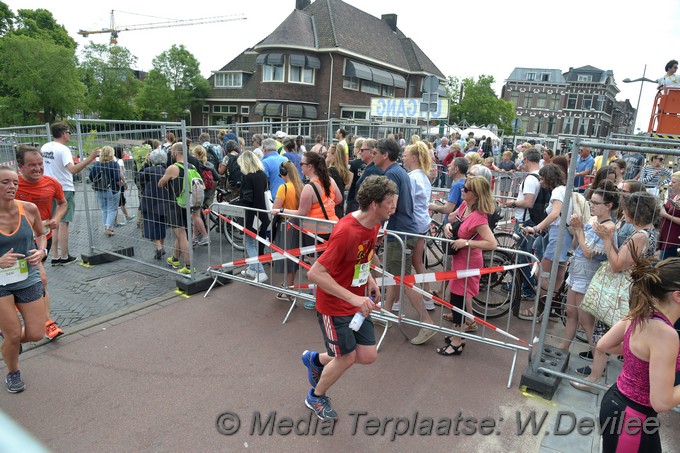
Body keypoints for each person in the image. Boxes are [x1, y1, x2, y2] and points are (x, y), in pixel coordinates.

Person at [300, 175, 397, 420]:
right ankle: (316, 396)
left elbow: (365, 255)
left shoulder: (374, 223)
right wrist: (354, 299)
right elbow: (315, 273)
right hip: (334, 306)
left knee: (367, 355)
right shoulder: (346, 231)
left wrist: (370, 279)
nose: (394, 206)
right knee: (346, 358)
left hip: (356, 301)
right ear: (375, 204)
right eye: (390, 202)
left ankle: (316, 360)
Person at [573, 191, 659, 392]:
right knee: (609, 335)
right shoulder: (650, 231)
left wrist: (605, 240)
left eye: (626, 207)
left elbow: (617, 264)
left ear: (635, 212)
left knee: (605, 335)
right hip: (633, 291)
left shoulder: (639, 235)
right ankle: (597, 375)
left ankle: (595, 379)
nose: (623, 211)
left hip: (623, 292)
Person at [596, 256, 680, 452]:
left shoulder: (641, 313)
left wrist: (640, 358)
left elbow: (604, 344)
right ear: (677, 295)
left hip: (618, 404)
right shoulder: (665, 334)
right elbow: (661, 401)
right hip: (633, 418)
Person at [372, 139, 436, 343]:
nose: (372, 155)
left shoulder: (392, 174)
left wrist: (375, 219)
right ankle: (387, 313)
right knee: (396, 275)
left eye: (374, 152)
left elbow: (392, 206)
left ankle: (427, 322)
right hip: (405, 231)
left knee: (402, 278)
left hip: (401, 232)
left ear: (384, 155)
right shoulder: (400, 172)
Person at [0, 166, 48, 393]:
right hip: (0, 284)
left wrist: (42, 251)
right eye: (5, 183)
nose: (11, 187)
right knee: (12, 334)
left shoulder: (29, 209)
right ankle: (12, 371)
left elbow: (41, 234)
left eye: (14, 183)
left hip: (27, 277)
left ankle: (9, 342)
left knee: (37, 333)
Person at [438, 176, 497, 355]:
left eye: (466, 189)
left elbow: (492, 243)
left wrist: (467, 243)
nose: (462, 190)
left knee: (458, 301)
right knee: (457, 299)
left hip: (469, 262)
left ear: (476, 194)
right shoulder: (465, 206)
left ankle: (457, 341)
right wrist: (449, 226)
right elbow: (451, 219)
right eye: (464, 187)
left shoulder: (479, 217)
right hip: (460, 260)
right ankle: (459, 336)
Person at [275, 152, 342, 309]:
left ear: (310, 166)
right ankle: (329, 296)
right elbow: (338, 199)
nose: (301, 167)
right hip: (332, 227)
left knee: (317, 269)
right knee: (328, 266)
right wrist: (327, 205)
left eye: (302, 164)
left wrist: (281, 210)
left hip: (314, 232)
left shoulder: (309, 187)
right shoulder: (329, 181)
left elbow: (301, 213)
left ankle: (320, 299)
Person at [557, 181, 618, 351]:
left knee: (586, 320)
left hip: (590, 274)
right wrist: (578, 230)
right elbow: (576, 245)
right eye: (591, 202)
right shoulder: (593, 220)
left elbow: (589, 252)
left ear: (608, 206)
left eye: (595, 203)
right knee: (570, 312)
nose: (591, 205)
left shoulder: (609, 227)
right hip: (577, 271)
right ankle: (563, 347)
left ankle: (597, 357)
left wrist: (579, 230)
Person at [16, 145, 67, 340]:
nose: (38, 169)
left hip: (42, 238)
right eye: (32, 165)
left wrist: (57, 218)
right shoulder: (11, 184)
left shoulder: (51, 183)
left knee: (38, 281)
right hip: (16, 241)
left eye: (40, 164)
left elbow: (63, 203)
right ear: (20, 166)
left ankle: (45, 322)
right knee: (36, 280)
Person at [41, 122, 100, 265]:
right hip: (63, 188)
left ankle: (54, 256)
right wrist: (91, 158)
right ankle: (64, 255)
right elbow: (73, 170)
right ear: (63, 134)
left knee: (53, 223)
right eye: (68, 132)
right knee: (63, 223)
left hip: (48, 187)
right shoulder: (63, 149)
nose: (69, 135)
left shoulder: (45, 147)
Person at [520, 164, 574, 320]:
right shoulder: (566, 190)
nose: (541, 182)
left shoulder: (557, 191)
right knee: (558, 273)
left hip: (558, 234)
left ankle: (540, 308)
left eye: (542, 178)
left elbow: (555, 214)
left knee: (541, 272)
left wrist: (537, 228)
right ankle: (549, 306)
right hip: (564, 235)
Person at [403, 141, 434, 310]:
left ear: (413, 158)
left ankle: (396, 302)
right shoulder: (422, 176)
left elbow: (409, 204)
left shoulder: (412, 178)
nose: (403, 158)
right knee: (417, 262)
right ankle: (427, 298)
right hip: (421, 224)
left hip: (414, 225)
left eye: (405, 155)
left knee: (408, 263)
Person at [157, 143, 195, 275]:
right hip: (187, 204)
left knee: (182, 236)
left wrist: (165, 178)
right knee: (180, 234)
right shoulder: (191, 166)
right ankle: (175, 259)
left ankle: (189, 267)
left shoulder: (173, 168)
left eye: (171, 151)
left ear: (175, 153)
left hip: (175, 205)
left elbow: (161, 183)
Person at [235, 150, 270, 283]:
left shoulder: (248, 177)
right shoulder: (262, 175)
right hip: (262, 215)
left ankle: (260, 271)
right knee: (254, 243)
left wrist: (232, 204)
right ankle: (252, 268)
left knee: (249, 243)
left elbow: (247, 199)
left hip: (252, 216)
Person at [271, 161, 304, 300]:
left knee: (287, 256)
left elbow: (275, 208)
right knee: (294, 256)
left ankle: (288, 289)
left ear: (284, 173)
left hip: (286, 224)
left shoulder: (283, 187)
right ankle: (289, 285)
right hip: (298, 224)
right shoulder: (300, 187)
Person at [140, 150, 169, 260]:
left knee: (151, 225)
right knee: (161, 224)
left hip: (150, 201)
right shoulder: (166, 170)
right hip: (163, 201)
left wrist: (146, 164)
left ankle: (158, 247)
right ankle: (162, 246)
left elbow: (139, 178)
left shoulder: (148, 170)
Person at [88, 146, 122, 236]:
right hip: (112, 189)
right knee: (112, 209)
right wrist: (121, 185)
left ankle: (106, 226)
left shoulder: (96, 165)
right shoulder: (114, 164)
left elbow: (91, 177)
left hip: (99, 189)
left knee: (104, 209)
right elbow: (117, 178)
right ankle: (108, 228)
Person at [345, 138, 370, 214]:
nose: (353, 149)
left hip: (353, 197)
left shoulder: (353, 164)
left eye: (355, 147)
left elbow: (348, 184)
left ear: (359, 149)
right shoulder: (368, 164)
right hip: (363, 199)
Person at [658, 170, 680, 259]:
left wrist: (666, 215)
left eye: (674, 182)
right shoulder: (673, 196)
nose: (671, 184)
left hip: (674, 240)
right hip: (665, 236)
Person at [326, 144, 352, 219]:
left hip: (332, 209)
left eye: (328, 152)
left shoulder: (332, 171)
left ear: (334, 155)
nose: (327, 154)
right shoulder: (342, 171)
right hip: (339, 208)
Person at [113, 146, 135, 227]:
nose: (124, 152)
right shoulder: (120, 161)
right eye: (123, 151)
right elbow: (120, 173)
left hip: (115, 184)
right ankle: (115, 221)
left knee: (121, 201)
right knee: (118, 201)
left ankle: (126, 216)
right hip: (119, 184)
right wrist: (125, 182)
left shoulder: (114, 159)